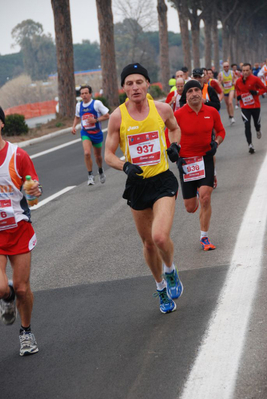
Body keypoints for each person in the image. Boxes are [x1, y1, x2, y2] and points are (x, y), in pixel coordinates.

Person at [105, 63, 183, 314]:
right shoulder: (118, 116)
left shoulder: (162, 109)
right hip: (137, 185)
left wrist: (175, 147)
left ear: (148, 84)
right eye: (129, 83)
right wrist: (124, 166)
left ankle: (170, 271)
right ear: (123, 87)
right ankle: (160, 287)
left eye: (139, 82)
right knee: (149, 244)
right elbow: (108, 154)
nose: (135, 87)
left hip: (162, 180)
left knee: (160, 236)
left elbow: (175, 129)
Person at [0, 107, 42, 356]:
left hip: (18, 229)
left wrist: (34, 191)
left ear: (2, 124)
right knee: (2, 288)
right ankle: (6, 298)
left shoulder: (18, 156)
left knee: (23, 288)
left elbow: (32, 190)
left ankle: (26, 332)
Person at [174, 80, 226, 251]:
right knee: (190, 208)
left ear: (201, 93)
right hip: (187, 162)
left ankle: (204, 237)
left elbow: (221, 131)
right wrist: (174, 149)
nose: (194, 93)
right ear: (185, 95)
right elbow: (170, 133)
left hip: (205, 158)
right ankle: (195, 193)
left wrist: (216, 143)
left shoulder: (211, 112)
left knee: (205, 197)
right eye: (190, 91)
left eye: (197, 90)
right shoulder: (179, 115)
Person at [72, 85, 110, 185]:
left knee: (98, 156)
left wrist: (96, 120)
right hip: (85, 132)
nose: (84, 95)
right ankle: (90, 175)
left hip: (97, 133)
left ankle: (100, 170)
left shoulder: (96, 103)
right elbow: (77, 117)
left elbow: (107, 115)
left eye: (86, 93)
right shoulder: (78, 105)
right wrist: (74, 126)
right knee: (87, 153)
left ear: (90, 94)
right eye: (82, 94)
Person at [235, 63, 267, 154]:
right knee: (247, 125)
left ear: (250, 71)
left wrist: (257, 92)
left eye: (247, 70)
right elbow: (237, 90)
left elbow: (264, 89)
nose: (245, 72)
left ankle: (258, 129)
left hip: (255, 106)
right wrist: (238, 97)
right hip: (245, 107)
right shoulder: (238, 81)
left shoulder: (255, 79)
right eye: (243, 70)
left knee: (256, 123)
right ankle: (250, 145)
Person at [165, 77, 185, 147]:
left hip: (184, 118)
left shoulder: (187, 93)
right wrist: (171, 101)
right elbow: (165, 106)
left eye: (181, 86)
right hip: (175, 119)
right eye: (178, 86)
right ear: (175, 86)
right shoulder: (172, 94)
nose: (180, 88)